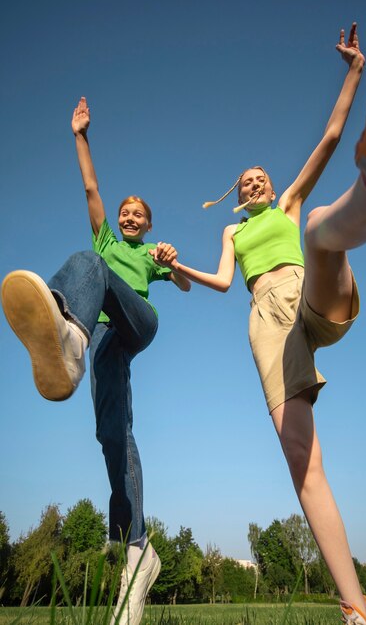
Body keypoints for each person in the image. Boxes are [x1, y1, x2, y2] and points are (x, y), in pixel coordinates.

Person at [149, 1, 366, 623]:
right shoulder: (236, 236)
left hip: (311, 297)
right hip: (265, 324)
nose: (256, 184)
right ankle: (358, 611)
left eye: (261, 179)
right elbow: (219, 284)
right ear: (238, 197)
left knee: (321, 228)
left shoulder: (288, 204)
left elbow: (327, 138)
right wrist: (174, 263)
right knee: (301, 459)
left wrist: (354, 73)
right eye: (247, 183)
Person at [1, 96, 191, 625]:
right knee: (113, 435)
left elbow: (183, 285)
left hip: (137, 322)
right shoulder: (104, 236)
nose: (129, 217)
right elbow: (91, 188)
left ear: (147, 226)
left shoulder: (147, 256)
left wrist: (172, 264)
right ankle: (137, 547)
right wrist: (80, 136)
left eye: (138, 215)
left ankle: (68, 338)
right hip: (103, 337)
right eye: (125, 212)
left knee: (97, 270)